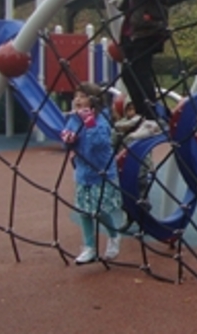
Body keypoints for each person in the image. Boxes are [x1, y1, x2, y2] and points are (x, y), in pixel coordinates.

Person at [107, 0, 170, 128]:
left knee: (141, 73)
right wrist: (120, 0)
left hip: (150, 30)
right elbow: (133, 4)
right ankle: (143, 115)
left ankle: (151, 118)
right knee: (128, 74)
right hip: (135, 32)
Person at [61, 82, 122, 264]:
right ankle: (89, 247)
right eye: (76, 96)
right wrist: (67, 139)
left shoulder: (102, 120)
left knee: (99, 210)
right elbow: (68, 140)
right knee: (83, 211)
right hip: (83, 173)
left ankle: (113, 235)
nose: (77, 99)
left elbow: (100, 143)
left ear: (94, 101)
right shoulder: (73, 119)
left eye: (82, 96)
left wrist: (90, 123)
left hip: (101, 173)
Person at [111, 99, 157, 207]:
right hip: (125, 165)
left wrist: (151, 165)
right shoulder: (119, 127)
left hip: (142, 166)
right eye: (130, 109)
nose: (133, 113)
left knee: (142, 187)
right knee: (127, 188)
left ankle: (143, 203)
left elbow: (148, 150)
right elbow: (113, 144)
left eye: (135, 110)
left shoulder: (145, 126)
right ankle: (128, 205)